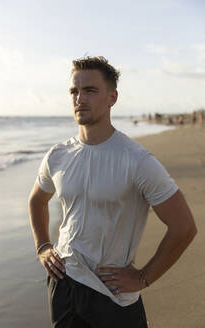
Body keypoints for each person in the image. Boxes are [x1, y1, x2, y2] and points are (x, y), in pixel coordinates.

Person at [28, 56, 197, 328]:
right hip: (63, 283)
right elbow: (37, 200)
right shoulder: (58, 155)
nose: (79, 98)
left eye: (90, 91)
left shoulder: (137, 160)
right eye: (74, 91)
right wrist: (43, 246)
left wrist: (144, 278)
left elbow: (184, 227)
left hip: (113, 294)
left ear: (112, 97)